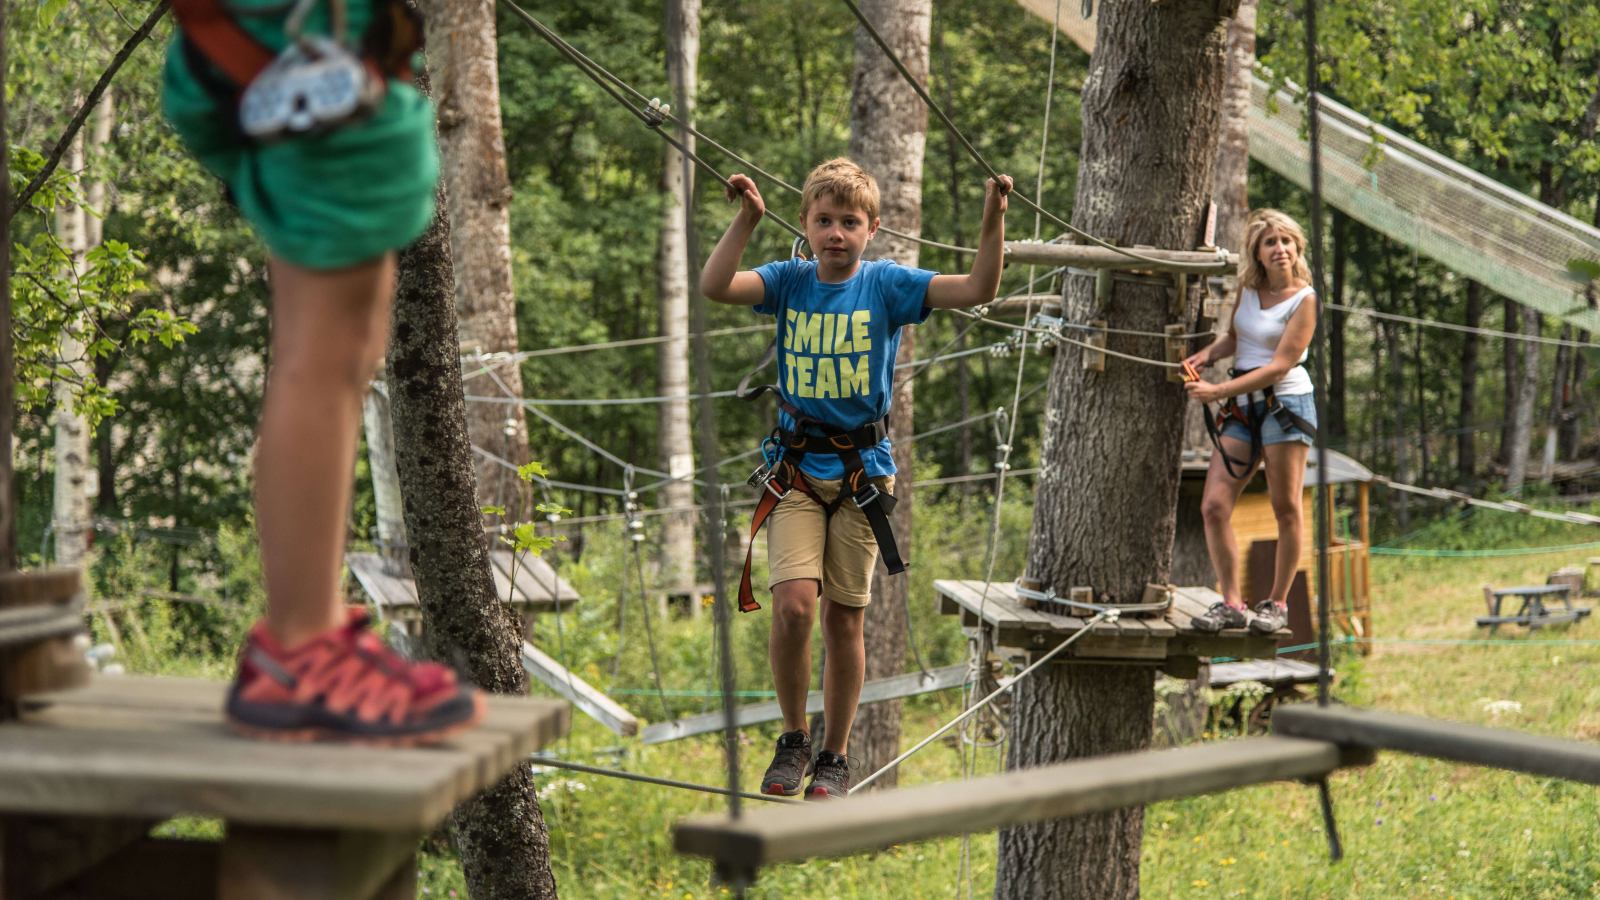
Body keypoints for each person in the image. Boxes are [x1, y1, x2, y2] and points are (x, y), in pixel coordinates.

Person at [163, 0, 484, 743]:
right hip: (304, 47)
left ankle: (306, 640)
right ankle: (300, 652)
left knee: (335, 355)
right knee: (323, 359)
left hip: (281, 46)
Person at [701, 158, 1011, 799]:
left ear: (873, 228)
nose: (835, 232)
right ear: (807, 226)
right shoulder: (789, 280)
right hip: (794, 470)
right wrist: (748, 218)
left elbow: (978, 287)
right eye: (823, 220)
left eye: (849, 222)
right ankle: (794, 739)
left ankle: (835, 755)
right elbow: (715, 285)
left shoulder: (888, 286)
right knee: (792, 607)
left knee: (845, 619)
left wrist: (993, 218)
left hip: (861, 474)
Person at [1182, 209, 1319, 637]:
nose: (1280, 249)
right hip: (1242, 404)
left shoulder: (1305, 299)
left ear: (1297, 247)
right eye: (1270, 243)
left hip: (1285, 402)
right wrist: (1207, 355)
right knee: (1214, 506)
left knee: (1285, 508)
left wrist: (1218, 392)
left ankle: (1276, 604)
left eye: (1286, 241)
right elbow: (1237, 336)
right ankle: (1232, 603)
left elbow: (1279, 365)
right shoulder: (1249, 286)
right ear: (1257, 253)